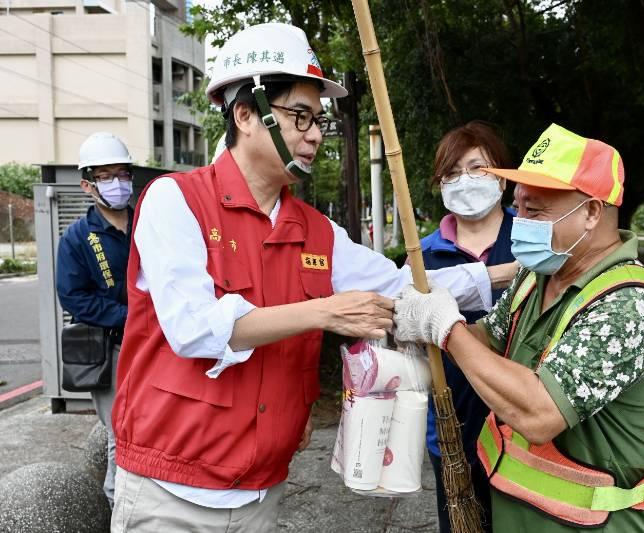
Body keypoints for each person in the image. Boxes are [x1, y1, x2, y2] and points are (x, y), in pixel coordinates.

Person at [109, 23, 517, 532]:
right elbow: (193, 327)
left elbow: (402, 286)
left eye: (319, 120)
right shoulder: (176, 201)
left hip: (263, 487)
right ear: (245, 114)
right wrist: (325, 311)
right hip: (170, 490)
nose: (315, 134)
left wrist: (511, 272)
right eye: (299, 116)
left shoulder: (315, 231)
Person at [394, 124, 644, 532]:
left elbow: (540, 413)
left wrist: (447, 327)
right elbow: (488, 339)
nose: (520, 221)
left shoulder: (630, 304)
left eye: (535, 210)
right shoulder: (536, 276)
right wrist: (417, 325)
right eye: (519, 204)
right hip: (518, 512)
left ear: (591, 213)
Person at [421, 121, 516, 533]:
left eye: (477, 168)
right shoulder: (421, 255)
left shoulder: (533, 239)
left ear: (502, 176)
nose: (465, 180)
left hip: (524, 429)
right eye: (452, 172)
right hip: (450, 429)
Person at [56, 131, 134, 508]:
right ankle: (118, 508)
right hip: (114, 347)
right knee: (119, 432)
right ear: (87, 184)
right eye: (106, 176)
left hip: (163, 343)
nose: (117, 183)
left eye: (122, 174)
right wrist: (129, 315)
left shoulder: (149, 221)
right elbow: (74, 297)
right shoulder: (77, 237)